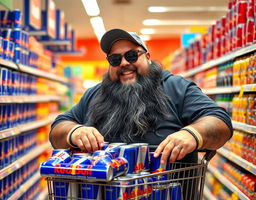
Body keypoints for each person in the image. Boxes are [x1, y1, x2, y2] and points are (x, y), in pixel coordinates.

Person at [49, 28, 233, 164]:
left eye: (131, 56)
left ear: (148, 57)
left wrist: (192, 134)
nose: (123, 63)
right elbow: (59, 128)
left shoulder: (176, 87)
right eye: (115, 59)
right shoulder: (95, 94)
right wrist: (74, 131)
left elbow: (219, 121)